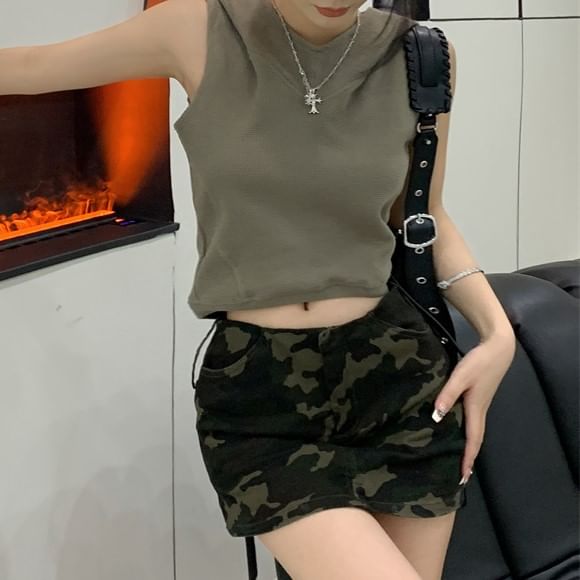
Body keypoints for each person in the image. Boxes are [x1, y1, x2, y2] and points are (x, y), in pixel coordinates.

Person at [0, 0, 516, 578]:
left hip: (399, 383)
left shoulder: (421, 56)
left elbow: (424, 215)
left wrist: (498, 335)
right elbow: (32, 67)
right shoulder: (198, 28)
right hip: (265, 397)